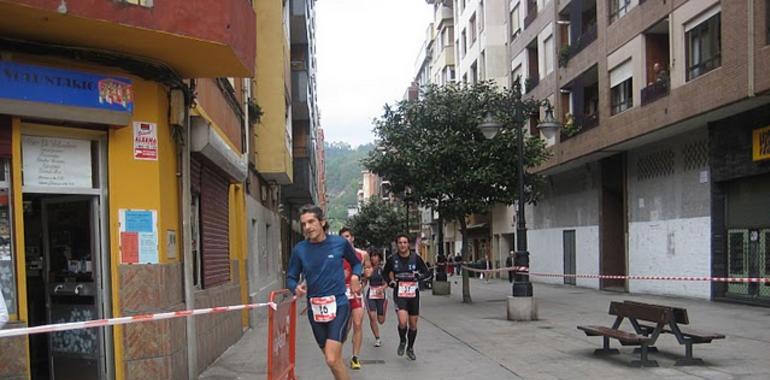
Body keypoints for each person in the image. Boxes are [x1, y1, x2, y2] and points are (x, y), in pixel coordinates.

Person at [287, 205, 362, 380]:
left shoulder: (339, 243)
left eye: (311, 222)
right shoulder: (300, 250)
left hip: (339, 306)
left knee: (331, 358)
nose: (307, 227)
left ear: (322, 222)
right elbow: (291, 276)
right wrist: (294, 287)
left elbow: (356, 263)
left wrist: (355, 277)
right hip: (315, 310)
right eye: (304, 224)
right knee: (333, 360)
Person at [383, 234, 432, 361]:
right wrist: (390, 282)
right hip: (400, 294)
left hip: (413, 295)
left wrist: (418, 277)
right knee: (402, 321)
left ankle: (410, 348)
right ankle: (402, 340)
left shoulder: (415, 258)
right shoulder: (392, 259)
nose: (403, 245)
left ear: (408, 244)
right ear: (397, 244)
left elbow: (427, 272)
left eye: (405, 242)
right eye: (400, 242)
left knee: (413, 324)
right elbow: (385, 273)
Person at [338, 227, 368, 370]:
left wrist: (362, 283)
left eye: (348, 236)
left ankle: (355, 357)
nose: (346, 239)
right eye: (343, 237)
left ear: (352, 238)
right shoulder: (336, 254)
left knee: (357, 324)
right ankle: (337, 354)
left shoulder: (362, 254)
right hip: (341, 294)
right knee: (343, 327)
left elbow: (368, 270)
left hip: (356, 294)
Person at [365, 249, 387, 348]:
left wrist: (382, 288)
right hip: (371, 294)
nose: (374, 258)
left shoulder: (382, 269)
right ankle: (377, 338)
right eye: (372, 256)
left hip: (381, 295)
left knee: (381, 320)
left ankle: (383, 311)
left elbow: (387, 283)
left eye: (376, 256)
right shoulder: (368, 268)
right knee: (372, 317)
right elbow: (364, 280)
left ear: (379, 257)